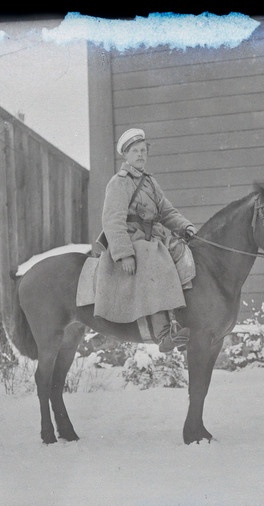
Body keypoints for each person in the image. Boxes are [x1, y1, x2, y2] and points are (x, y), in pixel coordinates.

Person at [93, 128, 197, 353]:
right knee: (153, 259)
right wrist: (125, 254)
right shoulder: (119, 182)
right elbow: (112, 220)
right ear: (125, 155)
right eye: (135, 151)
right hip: (132, 240)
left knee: (181, 253)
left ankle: (180, 321)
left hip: (154, 238)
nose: (140, 155)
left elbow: (167, 212)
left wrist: (186, 226)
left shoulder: (150, 182)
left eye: (143, 150)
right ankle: (163, 333)